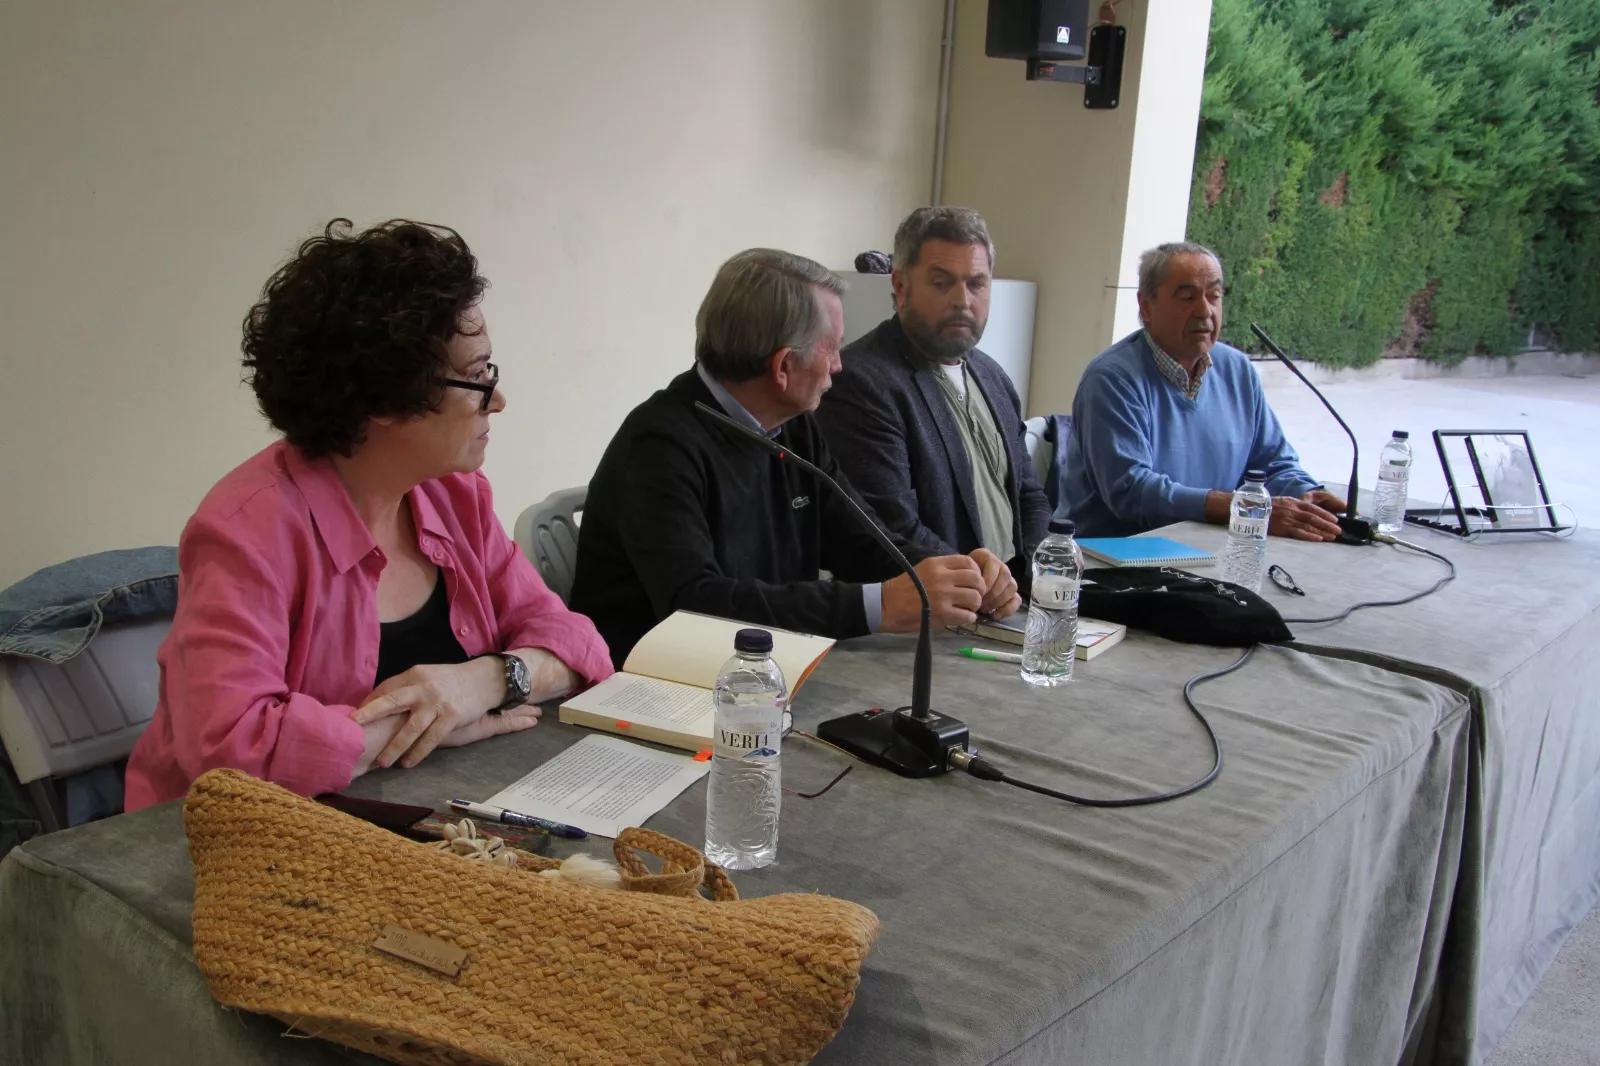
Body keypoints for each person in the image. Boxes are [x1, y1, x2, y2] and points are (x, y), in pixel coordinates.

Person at [124, 219, 613, 810]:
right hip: (235, 851)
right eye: (478, 376)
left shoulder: (453, 494)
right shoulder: (246, 530)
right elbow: (229, 751)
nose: (498, 400)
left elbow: (576, 644)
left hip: (425, 815)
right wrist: (421, 726)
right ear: (387, 401)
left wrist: (477, 683)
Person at [569, 248, 1020, 667]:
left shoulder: (795, 424)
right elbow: (696, 605)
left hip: (766, 669)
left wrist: (953, 575)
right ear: (784, 367)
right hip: (657, 687)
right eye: (832, 348)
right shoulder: (660, 446)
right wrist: (878, 605)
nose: (840, 366)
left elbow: (859, 538)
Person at [815, 207, 1050, 591]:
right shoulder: (861, 383)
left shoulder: (992, 375)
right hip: (927, 618)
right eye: (942, 283)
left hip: (1009, 606)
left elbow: (1029, 495)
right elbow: (892, 528)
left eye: (977, 284)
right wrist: (985, 586)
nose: (963, 300)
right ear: (901, 287)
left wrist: (1034, 575)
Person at [1059, 241, 1348, 540]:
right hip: (1114, 562)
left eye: (1215, 296)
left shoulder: (1237, 370)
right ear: (1146, 306)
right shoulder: (1112, 379)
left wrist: (1306, 492)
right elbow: (1132, 492)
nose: (1204, 310)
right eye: (1187, 297)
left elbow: (1273, 463)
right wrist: (1239, 507)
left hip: (1207, 552)